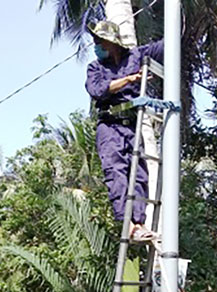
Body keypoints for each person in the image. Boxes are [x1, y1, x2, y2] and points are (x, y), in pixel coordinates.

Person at [85, 20, 163, 242]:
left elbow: (167, 45)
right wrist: (128, 80)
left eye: (99, 41)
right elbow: (97, 90)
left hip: (132, 125)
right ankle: (128, 224)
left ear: (112, 42)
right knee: (116, 172)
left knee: (139, 175)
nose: (96, 45)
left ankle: (138, 225)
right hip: (110, 125)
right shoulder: (96, 68)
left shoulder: (137, 56)